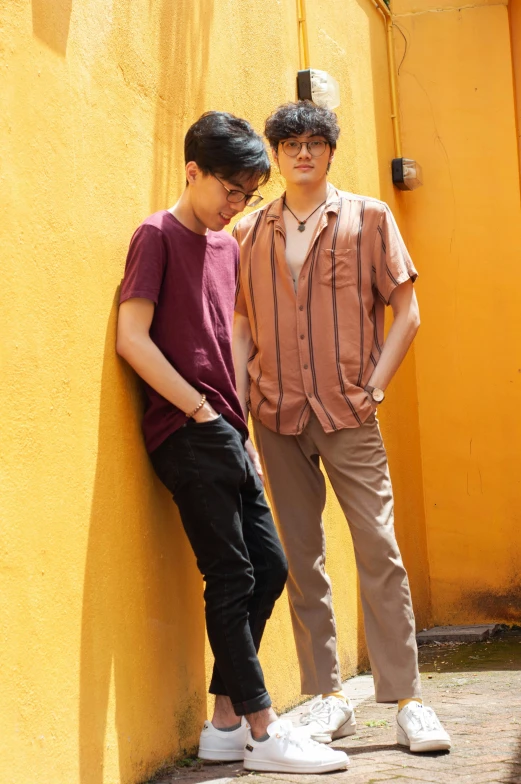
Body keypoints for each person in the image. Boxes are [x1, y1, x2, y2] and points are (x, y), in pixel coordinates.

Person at [116, 110, 348, 774]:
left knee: (268, 568)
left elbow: (229, 344)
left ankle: (222, 725)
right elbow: (132, 338)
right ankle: (264, 731)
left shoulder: (227, 248)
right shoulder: (155, 236)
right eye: (229, 191)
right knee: (231, 575)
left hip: (226, 431)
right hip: (185, 431)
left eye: (247, 195)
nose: (236, 207)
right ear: (192, 172)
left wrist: (236, 427)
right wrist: (197, 414)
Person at [232, 101, 451, 754]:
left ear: (330, 151)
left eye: (313, 142)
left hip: (349, 413)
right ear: (275, 154)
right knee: (301, 559)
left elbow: (406, 311)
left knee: (378, 549)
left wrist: (376, 384)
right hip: (275, 414)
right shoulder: (248, 232)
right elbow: (241, 325)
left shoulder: (370, 218)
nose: (302, 153)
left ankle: (408, 699)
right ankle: (328, 698)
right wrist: (240, 406)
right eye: (290, 143)